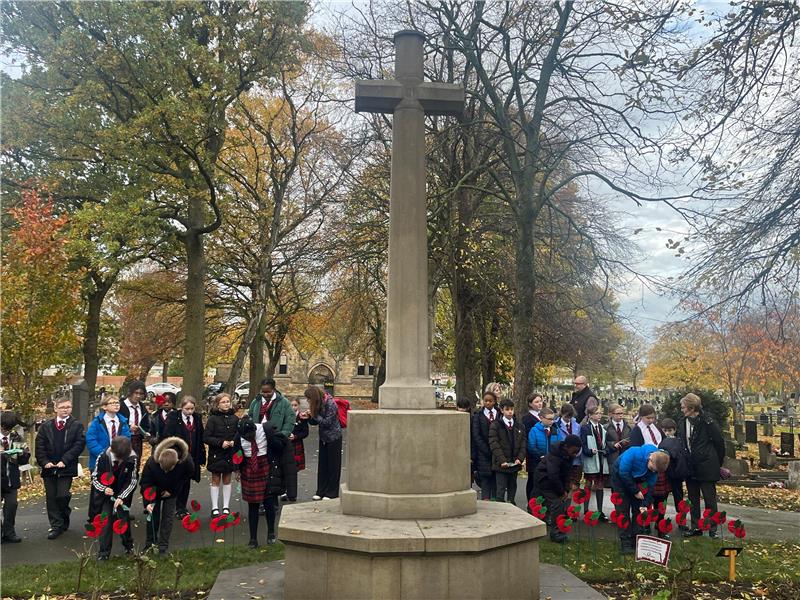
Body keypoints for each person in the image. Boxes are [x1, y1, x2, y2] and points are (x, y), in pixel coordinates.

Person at [35, 397, 86, 540]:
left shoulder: (76, 425)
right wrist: (44, 461)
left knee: (62, 495)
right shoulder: (46, 426)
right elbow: (40, 446)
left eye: (68, 407)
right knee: (51, 497)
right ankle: (56, 525)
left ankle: (64, 514)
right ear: (56, 408)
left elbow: (79, 444)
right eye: (62, 407)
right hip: (49, 467)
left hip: (66, 467)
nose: (65, 409)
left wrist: (65, 460)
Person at [677, 393, 725, 538]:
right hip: (690, 465)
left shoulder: (708, 422)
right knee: (693, 499)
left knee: (710, 500)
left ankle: (712, 529)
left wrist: (717, 463)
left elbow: (719, 443)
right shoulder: (682, 421)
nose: (681, 410)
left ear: (691, 408)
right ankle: (696, 527)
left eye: (683, 407)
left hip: (706, 465)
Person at [611, 444, 670, 553]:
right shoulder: (633, 453)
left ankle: (636, 539)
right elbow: (623, 472)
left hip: (638, 482)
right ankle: (625, 542)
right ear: (650, 459)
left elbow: (650, 487)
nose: (653, 472)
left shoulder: (654, 469)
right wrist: (635, 491)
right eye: (652, 469)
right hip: (620, 479)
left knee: (638, 510)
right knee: (623, 511)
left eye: (655, 471)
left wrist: (644, 504)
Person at [139, 436, 194, 554]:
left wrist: (173, 490)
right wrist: (148, 503)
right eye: (163, 469)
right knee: (153, 516)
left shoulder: (186, 462)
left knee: (167, 517)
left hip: (172, 490)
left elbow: (186, 477)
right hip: (154, 490)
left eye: (169, 470)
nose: (166, 472)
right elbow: (145, 484)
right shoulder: (151, 463)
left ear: (177, 462)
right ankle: (150, 544)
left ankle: (163, 545)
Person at [238, 416, 286, 547]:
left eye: (251, 435)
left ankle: (271, 533)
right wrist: (237, 467)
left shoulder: (265, 430)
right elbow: (236, 455)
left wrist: (272, 439)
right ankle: (253, 539)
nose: (249, 438)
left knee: (269, 503)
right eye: (246, 437)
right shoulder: (239, 437)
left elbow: (280, 447)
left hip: (266, 466)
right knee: (252, 506)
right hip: (249, 470)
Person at [91, 436, 137, 559]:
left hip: (122, 493)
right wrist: (104, 489)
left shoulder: (132, 459)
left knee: (123, 520)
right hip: (107, 494)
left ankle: (128, 546)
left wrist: (122, 497)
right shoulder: (103, 457)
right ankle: (104, 553)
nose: (121, 461)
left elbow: (132, 481)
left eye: (123, 459)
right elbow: (95, 478)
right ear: (111, 450)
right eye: (118, 458)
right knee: (105, 521)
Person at [532, 434, 582, 543]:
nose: (575, 454)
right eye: (574, 451)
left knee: (555, 504)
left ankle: (551, 526)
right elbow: (553, 475)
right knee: (557, 504)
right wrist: (561, 491)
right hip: (544, 479)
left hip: (555, 479)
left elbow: (566, 474)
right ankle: (556, 533)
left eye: (577, 452)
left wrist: (566, 489)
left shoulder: (569, 456)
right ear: (566, 447)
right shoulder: (555, 455)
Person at [164, 396, 206, 518]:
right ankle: (174, 506)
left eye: (192, 409)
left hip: (192, 455)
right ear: (181, 407)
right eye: (187, 409)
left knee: (187, 481)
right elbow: (168, 436)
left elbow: (200, 436)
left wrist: (201, 455)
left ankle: (182, 507)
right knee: (177, 481)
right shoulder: (174, 418)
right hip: (178, 456)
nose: (189, 411)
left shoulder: (197, 419)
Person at [301, 386, 342, 500]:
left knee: (333, 466)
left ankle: (332, 492)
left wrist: (314, 415)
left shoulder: (331, 403)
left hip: (334, 437)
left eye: (309, 399)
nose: (308, 401)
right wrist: (308, 417)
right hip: (323, 437)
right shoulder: (318, 403)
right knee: (323, 465)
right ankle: (321, 491)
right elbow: (315, 422)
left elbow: (327, 422)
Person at [203, 393, 239, 517]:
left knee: (227, 479)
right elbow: (206, 437)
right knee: (216, 479)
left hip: (230, 453)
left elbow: (238, 434)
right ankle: (214, 507)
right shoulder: (213, 419)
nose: (226, 404)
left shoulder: (235, 418)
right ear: (218, 404)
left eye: (228, 401)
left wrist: (234, 441)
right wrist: (220, 443)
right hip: (216, 453)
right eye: (223, 402)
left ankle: (226, 506)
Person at [489, 399, 526, 504]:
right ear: (501, 410)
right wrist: (502, 460)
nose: (510, 412)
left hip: (514, 463)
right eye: (507, 409)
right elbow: (494, 443)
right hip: (501, 465)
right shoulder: (496, 425)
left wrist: (520, 458)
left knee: (512, 487)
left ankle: (511, 504)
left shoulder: (519, 426)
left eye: (512, 409)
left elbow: (523, 444)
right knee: (500, 490)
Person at [1, 411, 30, 544]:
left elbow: (24, 460)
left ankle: (9, 532)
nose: (6, 431)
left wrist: (23, 454)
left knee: (11, 506)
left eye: (8, 428)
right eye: (3, 427)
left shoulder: (16, 437)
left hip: (11, 479)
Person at [659, 418, 690, 535]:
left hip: (676, 474)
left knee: (679, 498)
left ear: (675, 430)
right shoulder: (662, 441)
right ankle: (660, 520)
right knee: (663, 499)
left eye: (670, 430)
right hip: (666, 474)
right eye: (665, 430)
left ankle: (681, 521)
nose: (668, 433)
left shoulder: (679, 442)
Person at [580, 406, 610, 519]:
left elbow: (604, 443)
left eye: (600, 413)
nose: (599, 415)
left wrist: (606, 450)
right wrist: (588, 451)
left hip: (601, 459)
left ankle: (600, 510)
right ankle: (586, 509)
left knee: (600, 485)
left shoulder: (602, 428)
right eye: (596, 413)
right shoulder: (586, 428)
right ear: (590, 415)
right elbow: (583, 443)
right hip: (591, 459)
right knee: (588, 483)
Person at [86, 395, 131, 471]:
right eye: (112, 403)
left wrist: (119, 453)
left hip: (119, 460)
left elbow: (127, 438)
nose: (116, 405)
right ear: (104, 407)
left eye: (117, 403)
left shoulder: (123, 422)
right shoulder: (97, 422)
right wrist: (104, 454)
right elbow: (91, 440)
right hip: (100, 460)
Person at [471, 390, 499, 500]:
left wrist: (496, 450)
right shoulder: (478, 416)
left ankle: (496, 500)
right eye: (486, 401)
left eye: (490, 401)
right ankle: (486, 500)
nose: (488, 403)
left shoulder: (499, 414)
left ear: (494, 402)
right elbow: (476, 435)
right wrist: (486, 449)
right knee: (485, 480)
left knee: (496, 480)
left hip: (497, 453)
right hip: (483, 453)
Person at [118, 380, 151, 471]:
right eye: (136, 393)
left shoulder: (142, 407)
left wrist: (145, 432)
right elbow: (115, 424)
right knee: (123, 466)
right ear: (130, 392)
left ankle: (134, 482)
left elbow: (146, 424)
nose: (138, 396)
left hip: (137, 440)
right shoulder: (120, 406)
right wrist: (128, 428)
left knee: (135, 465)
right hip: (123, 440)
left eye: (141, 394)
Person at [284, 398, 309, 503]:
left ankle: (292, 493)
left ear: (298, 405)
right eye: (291, 405)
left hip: (296, 445)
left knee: (294, 470)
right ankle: (284, 491)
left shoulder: (301, 417)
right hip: (286, 445)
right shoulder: (286, 417)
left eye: (295, 405)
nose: (293, 407)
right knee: (285, 469)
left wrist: (296, 436)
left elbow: (305, 432)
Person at [553, 403, 582, 491]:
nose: (568, 419)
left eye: (570, 417)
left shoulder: (577, 426)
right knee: (565, 485)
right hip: (563, 458)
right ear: (562, 414)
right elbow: (557, 442)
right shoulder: (556, 425)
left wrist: (577, 453)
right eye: (566, 417)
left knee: (575, 485)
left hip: (576, 460)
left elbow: (580, 442)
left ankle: (573, 503)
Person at [522, 393, 544, 501]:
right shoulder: (527, 419)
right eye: (536, 402)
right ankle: (530, 502)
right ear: (530, 404)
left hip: (544, 453)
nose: (540, 403)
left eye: (540, 401)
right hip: (533, 454)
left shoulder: (543, 416)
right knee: (533, 479)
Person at [605, 403, 631, 473]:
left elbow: (632, 440)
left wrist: (626, 442)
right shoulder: (606, 427)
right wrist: (613, 444)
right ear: (611, 414)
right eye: (618, 413)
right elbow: (604, 442)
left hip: (625, 457)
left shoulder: (629, 427)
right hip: (612, 458)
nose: (620, 415)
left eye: (622, 413)